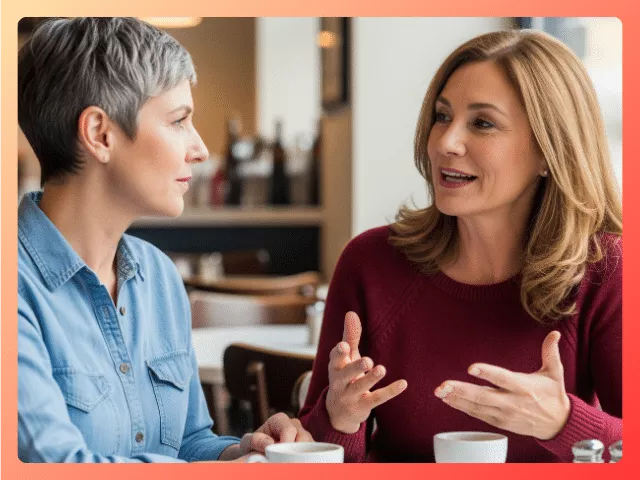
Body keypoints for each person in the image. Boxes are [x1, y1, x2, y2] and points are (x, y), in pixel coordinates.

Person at [299, 29, 622, 463]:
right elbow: (315, 457)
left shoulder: (605, 269)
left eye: (483, 123)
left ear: (550, 150)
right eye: (441, 116)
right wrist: (339, 418)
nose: (446, 143)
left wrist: (564, 423)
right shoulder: (370, 263)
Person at [18, 17, 312, 463]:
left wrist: (244, 452)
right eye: (178, 121)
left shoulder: (157, 277)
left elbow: (189, 442)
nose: (199, 149)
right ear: (100, 134)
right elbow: (54, 465)